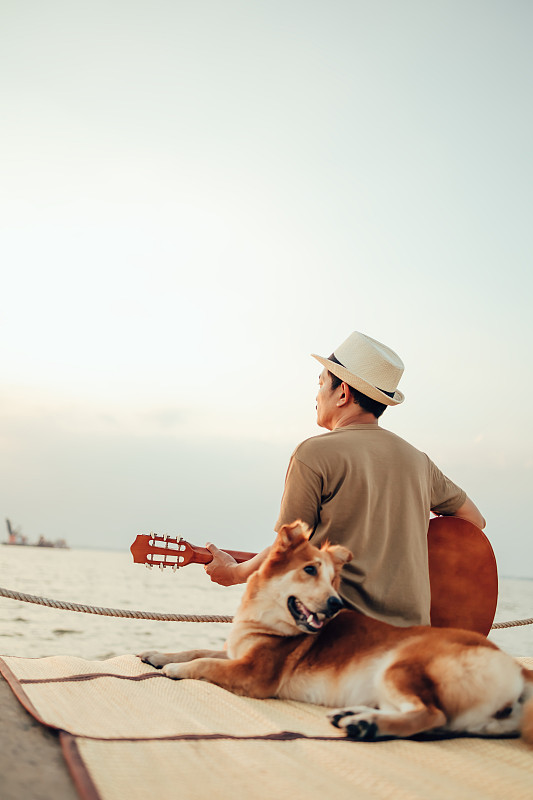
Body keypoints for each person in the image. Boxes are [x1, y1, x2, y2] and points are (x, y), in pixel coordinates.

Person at [204, 331, 485, 627]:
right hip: (413, 638)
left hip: (341, 637)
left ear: (343, 393)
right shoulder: (419, 461)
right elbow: (473, 520)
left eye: (322, 383)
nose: (316, 395)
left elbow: (286, 549)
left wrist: (234, 574)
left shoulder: (313, 453)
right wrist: (403, 535)